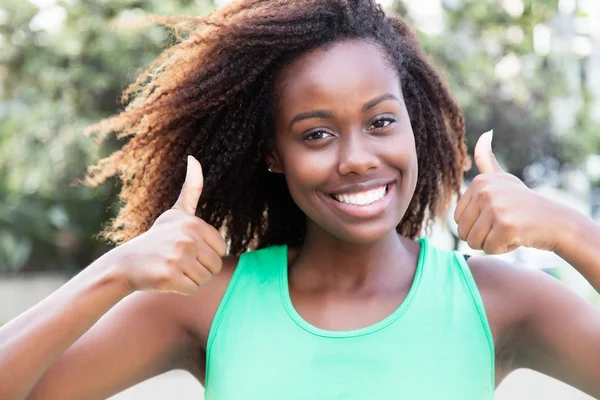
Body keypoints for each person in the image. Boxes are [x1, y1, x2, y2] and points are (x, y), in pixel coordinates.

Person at [1, 0, 600, 399]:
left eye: (381, 122)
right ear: (272, 154)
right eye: (316, 134)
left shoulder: (499, 301)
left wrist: (573, 232)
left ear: (413, 125)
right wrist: (115, 271)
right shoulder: (206, 304)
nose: (358, 157)